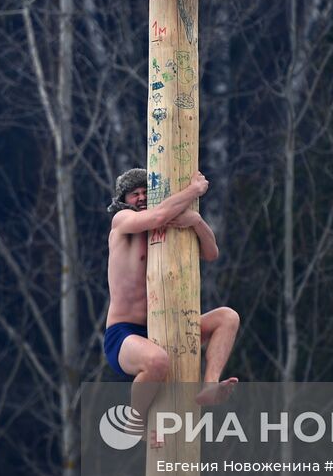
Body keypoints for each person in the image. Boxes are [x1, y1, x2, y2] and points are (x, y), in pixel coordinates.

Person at [103, 168, 240, 445]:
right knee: (157, 361)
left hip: (165, 325)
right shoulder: (123, 220)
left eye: (145, 192)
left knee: (227, 317)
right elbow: (156, 215)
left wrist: (197, 221)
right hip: (125, 333)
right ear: (124, 199)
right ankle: (135, 422)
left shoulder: (168, 221)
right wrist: (194, 190)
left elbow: (211, 253)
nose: (141, 198)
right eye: (134, 194)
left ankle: (210, 385)